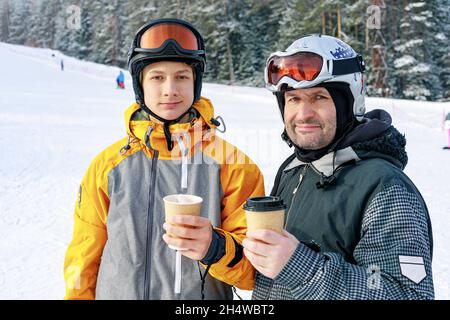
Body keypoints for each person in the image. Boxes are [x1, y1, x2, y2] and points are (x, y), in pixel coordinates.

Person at [63, 18, 264, 300]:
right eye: (157, 77)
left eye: (182, 76)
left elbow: (253, 274)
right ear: (140, 84)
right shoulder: (108, 166)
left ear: (196, 83)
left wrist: (215, 248)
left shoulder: (234, 165)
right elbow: (83, 256)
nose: (170, 89)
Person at [242, 34, 434, 299]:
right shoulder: (294, 169)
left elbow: (406, 293)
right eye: (293, 99)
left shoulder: (384, 187)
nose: (303, 114)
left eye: (319, 97)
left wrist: (301, 269)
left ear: (349, 103)